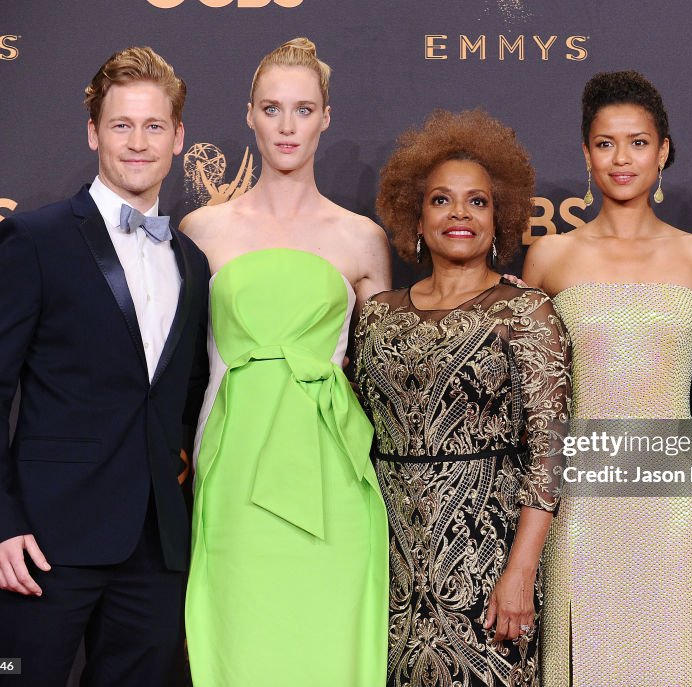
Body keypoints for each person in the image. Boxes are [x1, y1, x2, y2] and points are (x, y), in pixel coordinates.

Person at [0, 47, 209, 686]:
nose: (137, 143)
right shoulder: (35, 239)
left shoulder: (191, 260)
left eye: (154, 126)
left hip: (155, 549)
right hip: (43, 544)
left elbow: (182, 401)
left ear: (178, 138)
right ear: (93, 131)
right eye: (121, 125)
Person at [180, 37, 391, 686]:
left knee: (329, 653)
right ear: (249, 114)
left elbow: (388, 371)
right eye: (273, 109)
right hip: (233, 468)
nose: (287, 125)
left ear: (326, 117)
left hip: (334, 480)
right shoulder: (201, 230)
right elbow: (171, 371)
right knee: (239, 649)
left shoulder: (362, 238)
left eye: (304, 109)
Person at [354, 109, 570, 687]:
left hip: (488, 557)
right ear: (415, 218)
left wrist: (521, 570)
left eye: (477, 202)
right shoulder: (375, 316)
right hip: (389, 559)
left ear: (500, 219)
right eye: (441, 201)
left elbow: (550, 455)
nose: (459, 215)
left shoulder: (525, 312)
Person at [523, 71, 692, 686]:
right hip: (581, 502)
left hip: (673, 504)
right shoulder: (549, 257)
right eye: (605, 143)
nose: (621, 158)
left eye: (638, 142)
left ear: (663, 150)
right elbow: (532, 394)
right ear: (586, 153)